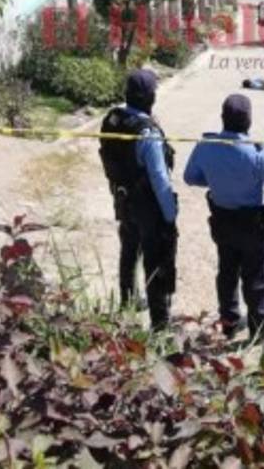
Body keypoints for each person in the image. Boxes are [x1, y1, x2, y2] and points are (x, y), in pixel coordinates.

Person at [184, 95, 264, 339]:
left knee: (227, 272)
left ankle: (229, 322)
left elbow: (190, 177)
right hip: (252, 223)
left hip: (222, 218)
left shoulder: (206, 145)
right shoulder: (257, 153)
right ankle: (259, 329)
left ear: (222, 118)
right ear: (249, 121)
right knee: (257, 278)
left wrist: (217, 180)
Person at [98, 69, 179, 330]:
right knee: (155, 261)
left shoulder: (113, 119)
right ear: (150, 97)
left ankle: (128, 301)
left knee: (129, 249)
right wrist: (170, 215)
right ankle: (160, 323)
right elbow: (159, 178)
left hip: (122, 197)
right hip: (148, 204)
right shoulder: (147, 132)